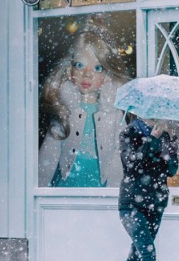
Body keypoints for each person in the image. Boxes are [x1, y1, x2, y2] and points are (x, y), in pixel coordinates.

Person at [104, 115, 179, 261]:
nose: (156, 116)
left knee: (136, 256)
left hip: (155, 204)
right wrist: (152, 140)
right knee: (147, 252)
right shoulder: (129, 133)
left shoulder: (165, 136)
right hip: (132, 204)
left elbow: (171, 170)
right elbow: (132, 164)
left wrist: (169, 146)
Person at [38, 25, 129, 188]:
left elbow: (119, 155)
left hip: (100, 187)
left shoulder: (114, 113)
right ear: (69, 71)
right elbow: (49, 155)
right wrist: (38, 189)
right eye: (79, 65)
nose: (87, 74)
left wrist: (115, 193)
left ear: (107, 76)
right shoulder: (65, 110)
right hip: (68, 185)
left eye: (97, 68)